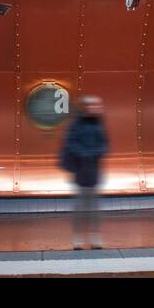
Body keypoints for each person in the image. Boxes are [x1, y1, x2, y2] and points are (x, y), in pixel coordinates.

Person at [59, 95, 109, 250]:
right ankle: (78, 238)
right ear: (86, 107)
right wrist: (86, 154)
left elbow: (105, 144)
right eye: (94, 105)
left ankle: (95, 238)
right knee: (81, 206)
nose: (97, 108)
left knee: (93, 207)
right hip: (80, 170)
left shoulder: (98, 124)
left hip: (93, 169)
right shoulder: (76, 124)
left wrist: (93, 154)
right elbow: (69, 143)